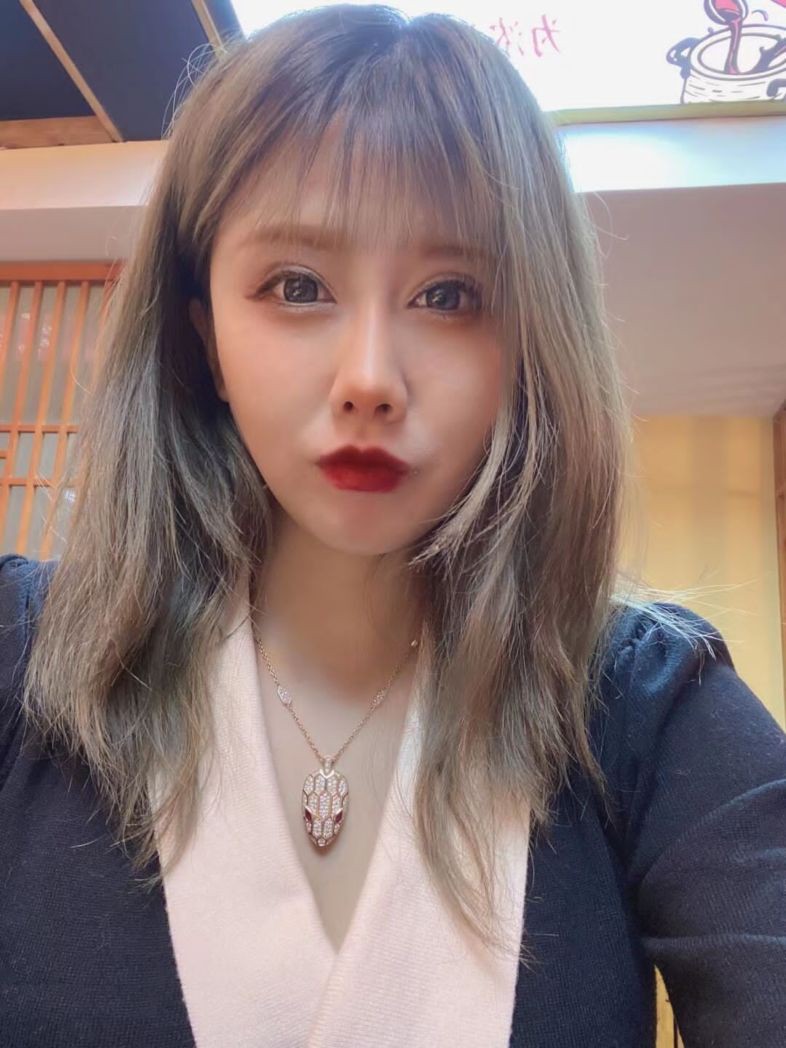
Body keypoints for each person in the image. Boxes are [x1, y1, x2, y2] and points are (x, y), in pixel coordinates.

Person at [1, 5, 784, 1047]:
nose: (369, 378)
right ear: (205, 337)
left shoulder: (643, 705)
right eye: (297, 286)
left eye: (449, 294)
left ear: (528, 343)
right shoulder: (21, 653)